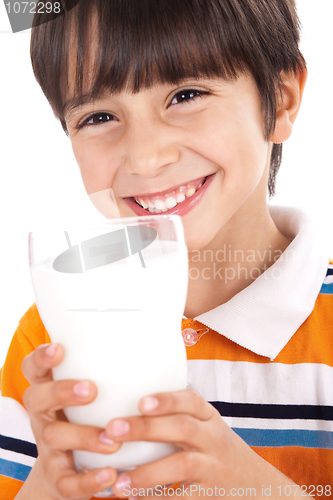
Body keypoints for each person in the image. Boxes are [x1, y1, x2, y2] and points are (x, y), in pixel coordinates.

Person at [1, 0, 332, 498]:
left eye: (186, 94)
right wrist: (52, 479)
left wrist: (257, 489)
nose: (147, 156)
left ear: (281, 101)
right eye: (98, 116)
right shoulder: (51, 337)